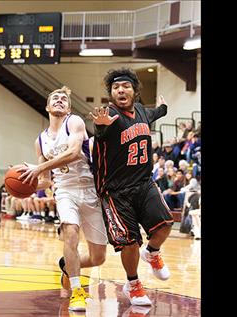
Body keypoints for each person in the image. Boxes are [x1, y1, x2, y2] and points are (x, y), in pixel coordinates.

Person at [17, 86, 107, 312]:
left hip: (90, 189)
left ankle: (67, 265)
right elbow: (46, 180)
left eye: (63, 99)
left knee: (98, 258)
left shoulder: (74, 122)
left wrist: (38, 168)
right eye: (54, 98)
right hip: (65, 190)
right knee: (70, 232)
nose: (59, 100)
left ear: (68, 108)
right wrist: (23, 185)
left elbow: (74, 152)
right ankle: (77, 290)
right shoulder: (40, 140)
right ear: (47, 107)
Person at [90, 68, 174, 307]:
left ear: (134, 91)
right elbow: (102, 131)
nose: (120, 90)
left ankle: (153, 252)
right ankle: (133, 284)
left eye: (125, 86)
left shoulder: (141, 112)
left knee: (165, 226)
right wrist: (99, 127)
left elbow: (156, 112)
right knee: (129, 242)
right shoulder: (110, 115)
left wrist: (164, 108)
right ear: (111, 94)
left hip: (144, 183)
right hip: (115, 191)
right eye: (116, 88)